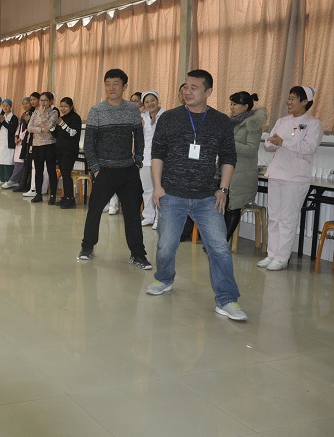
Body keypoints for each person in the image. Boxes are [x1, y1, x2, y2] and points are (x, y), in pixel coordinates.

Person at [146, 69, 247, 321]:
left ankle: (227, 299)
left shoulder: (221, 121)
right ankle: (164, 278)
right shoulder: (169, 118)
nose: (187, 91)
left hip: (207, 197)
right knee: (166, 245)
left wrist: (223, 189)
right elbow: (157, 153)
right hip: (172, 193)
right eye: (185, 87)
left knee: (219, 248)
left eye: (194, 87)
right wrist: (158, 187)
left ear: (208, 92)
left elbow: (228, 157)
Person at [78, 68, 149, 269]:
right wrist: (95, 168)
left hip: (128, 170)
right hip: (105, 170)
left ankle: (138, 254)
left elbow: (139, 137)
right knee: (94, 211)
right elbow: (89, 143)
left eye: (116, 84)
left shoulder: (132, 109)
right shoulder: (97, 110)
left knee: (132, 214)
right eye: (108, 84)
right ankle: (87, 246)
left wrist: (138, 160)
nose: (111, 88)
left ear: (124, 86)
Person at [260, 86, 323, 271]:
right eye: (289, 98)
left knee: (287, 218)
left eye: (293, 98)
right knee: (274, 216)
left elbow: (309, 147)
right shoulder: (282, 121)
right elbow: (268, 145)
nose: (289, 102)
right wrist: (272, 142)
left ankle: (282, 258)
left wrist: (283, 142)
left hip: (296, 177)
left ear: (304, 102)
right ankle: (271, 254)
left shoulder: (313, 124)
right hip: (276, 173)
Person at [225, 91, 267, 242]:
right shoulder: (231, 122)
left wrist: (229, 142)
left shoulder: (252, 125)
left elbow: (251, 149)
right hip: (227, 170)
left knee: (234, 207)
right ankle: (218, 241)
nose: (231, 107)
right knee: (223, 205)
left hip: (241, 173)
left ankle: (223, 242)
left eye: (235, 104)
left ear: (245, 106)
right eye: (231, 104)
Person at [26, 91, 59, 204]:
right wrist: (40, 129)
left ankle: (53, 195)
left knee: (51, 170)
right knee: (38, 170)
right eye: (41, 100)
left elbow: (49, 127)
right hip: (36, 144)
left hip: (49, 144)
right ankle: (38, 194)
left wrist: (42, 115)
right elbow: (29, 127)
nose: (43, 103)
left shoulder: (54, 112)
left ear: (50, 102)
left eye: (45, 100)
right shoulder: (35, 112)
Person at [140, 90, 165, 228]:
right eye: (147, 102)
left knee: (158, 189)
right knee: (147, 189)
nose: (150, 104)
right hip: (145, 158)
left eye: (152, 100)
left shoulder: (165, 115)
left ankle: (158, 218)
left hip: (160, 158)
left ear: (158, 100)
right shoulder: (142, 117)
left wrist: (155, 124)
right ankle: (148, 216)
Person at [53, 97, 82, 209]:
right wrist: (50, 126)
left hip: (70, 150)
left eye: (65, 106)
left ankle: (70, 200)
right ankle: (65, 197)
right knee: (64, 174)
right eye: (61, 106)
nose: (63, 109)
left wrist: (62, 124)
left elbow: (73, 133)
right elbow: (56, 134)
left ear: (71, 107)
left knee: (66, 174)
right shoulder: (62, 118)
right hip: (60, 150)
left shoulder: (75, 118)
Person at [0, 99, 17, 186]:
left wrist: (4, 122)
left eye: (7, 106)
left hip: (8, 143)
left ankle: (7, 179)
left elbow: (12, 130)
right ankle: (1, 178)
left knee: (8, 162)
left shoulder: (14, 118)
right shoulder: (1, 117)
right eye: (3, 106)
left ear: (10, 107)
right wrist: (0, 122)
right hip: (0, 142)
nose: (5, 108)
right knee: (0, 160)